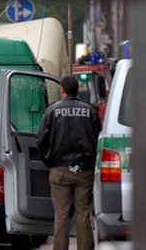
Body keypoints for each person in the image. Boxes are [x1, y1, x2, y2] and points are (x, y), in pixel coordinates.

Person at [36, 74, 102, 250]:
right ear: (77, 90)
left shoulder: (51, 111)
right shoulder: (90, 111)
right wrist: (90, 162)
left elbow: (41, 140)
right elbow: (98, 139)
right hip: (84, 171)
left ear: (62, 90)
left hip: (59, 170)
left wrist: (48, 161)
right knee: (83, 214)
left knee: (61, 215)